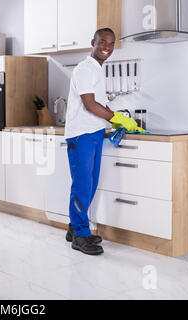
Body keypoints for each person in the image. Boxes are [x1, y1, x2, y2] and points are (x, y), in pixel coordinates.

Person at [64, 28, 144, 255]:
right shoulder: (84, 69)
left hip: (95, 133)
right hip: (81, 135)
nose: (106, 47)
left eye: (110, 43)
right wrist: (115, 117)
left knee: (90, 184)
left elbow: (99, 103)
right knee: (82, 185)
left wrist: (119, 120)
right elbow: (89, 104)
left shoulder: (98, 71)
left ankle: (74, 228)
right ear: (93, 42)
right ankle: (80, 235)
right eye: (102, 42)